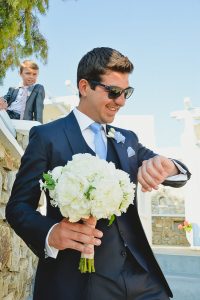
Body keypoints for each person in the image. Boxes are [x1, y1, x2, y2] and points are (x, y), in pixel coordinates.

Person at [6, 47, 191, 300]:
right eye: (113, 92)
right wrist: (51, 233)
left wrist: (169, 165)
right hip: (79, 283)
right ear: (84, 86)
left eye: (127, 92)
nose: (121, 101)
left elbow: (178, 172)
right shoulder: (47, 137)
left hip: (142, 281)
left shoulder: (127, 139)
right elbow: (17, 207)